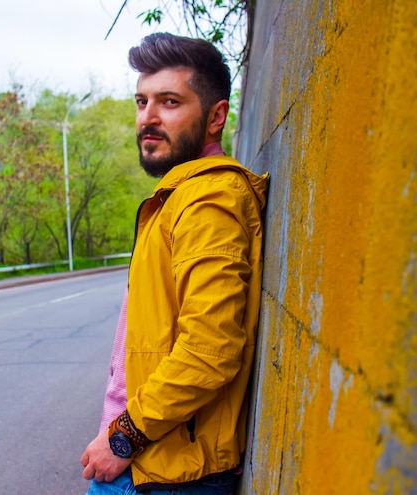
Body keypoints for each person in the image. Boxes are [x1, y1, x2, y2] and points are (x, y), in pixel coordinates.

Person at [80, 32, 269, 494]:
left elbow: (210, 349)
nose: (148, 117)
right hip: (151, 464)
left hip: (163, 473)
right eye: (141, 102)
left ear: (215, 116)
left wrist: (121, 438)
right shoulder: (176, 197)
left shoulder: (207, 201)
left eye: (169, 101)